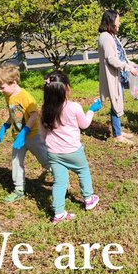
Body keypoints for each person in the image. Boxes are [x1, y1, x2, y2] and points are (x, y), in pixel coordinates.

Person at [38, 72, 98, 223]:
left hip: (53, 152)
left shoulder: (44, 110)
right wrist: (91, 110)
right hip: (73, 150)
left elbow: (42, 133)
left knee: (60, 182)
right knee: (83, 171)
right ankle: (88, 199)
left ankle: (59, 213)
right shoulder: (74, 107)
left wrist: (49, 144)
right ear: (67, 88)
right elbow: (84, 124)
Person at [0, 63, 51, 204]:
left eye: (2, 87)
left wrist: (25, 131)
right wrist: (4, 127)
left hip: (33, 136)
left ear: (14, 82)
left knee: (45, 160)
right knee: (16, 162)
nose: (0, 90)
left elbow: (35, 115)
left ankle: (60, 178)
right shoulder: (9, 95)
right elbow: (13, 114)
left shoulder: (25, 97)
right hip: (18, 138)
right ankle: (19, 190)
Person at [97, 10, 138, 142]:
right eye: (118, 20)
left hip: (120, 75)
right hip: (113, 76)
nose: (119, 23)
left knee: (118, 102)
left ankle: (118, 131)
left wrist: (133, 65)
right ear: (111, 21)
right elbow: (111, 59)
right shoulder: (105, 37)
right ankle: (118, 136)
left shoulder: (111, 36)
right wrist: (128, 68)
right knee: (116, 102)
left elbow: (121, 57)